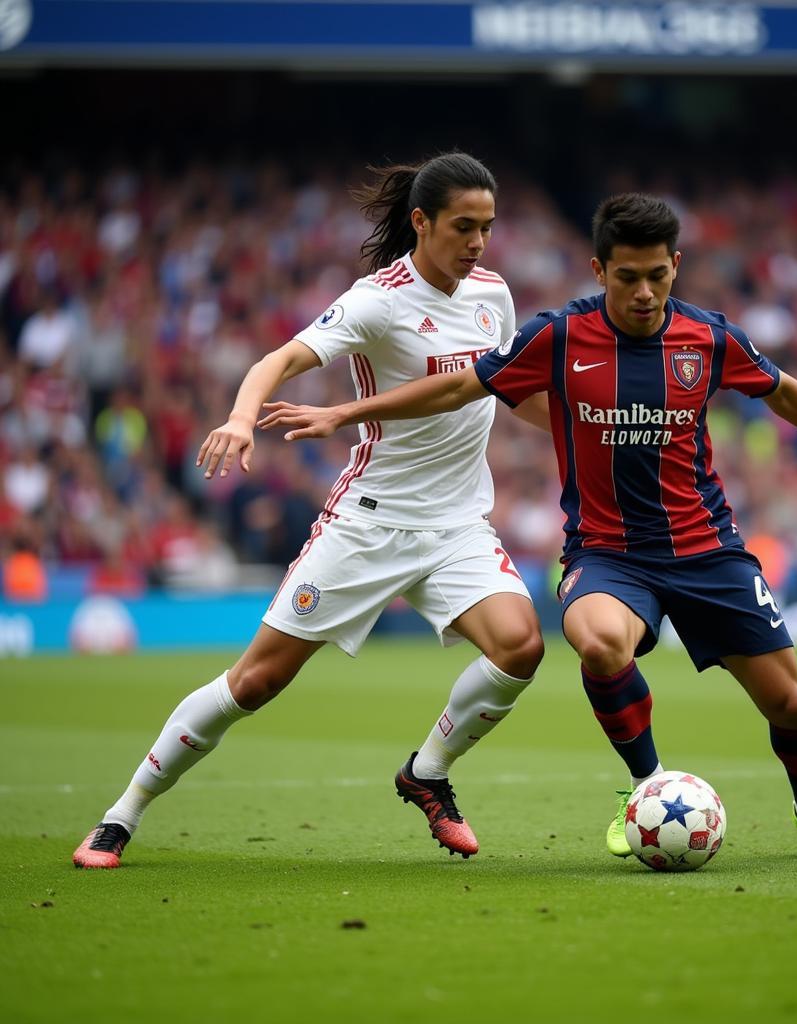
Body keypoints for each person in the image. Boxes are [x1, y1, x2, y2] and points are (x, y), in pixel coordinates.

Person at [259, 193, 797, 860]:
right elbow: (458, 386)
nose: (645, 292)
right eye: (628, 277)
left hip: (708, 550)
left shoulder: (707, 337)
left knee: (791, 705)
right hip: (608, 556)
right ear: (599, 272)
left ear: (676, 266)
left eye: (658, 275)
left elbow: (783, 389)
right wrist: (347, 411)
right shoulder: (559, 337)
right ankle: (645, 786)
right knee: (598, 643)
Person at [73, 152, 545, 869]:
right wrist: (239, 418)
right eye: (463, 226)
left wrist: (589, 429)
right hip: (369, 522)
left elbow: (504, 389)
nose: (478, 242)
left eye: (486, 226)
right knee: (255, 682)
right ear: (421, 222)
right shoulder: (378, 299)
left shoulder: (493, 295)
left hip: (456, 528)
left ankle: (427, 772)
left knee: (521, 647)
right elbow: (277, 361)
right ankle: (122, 812)